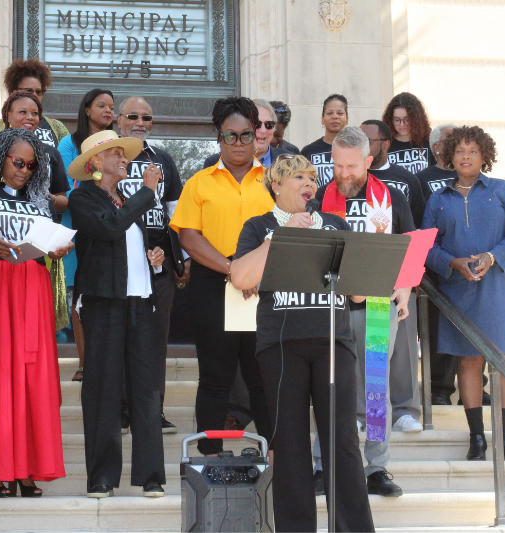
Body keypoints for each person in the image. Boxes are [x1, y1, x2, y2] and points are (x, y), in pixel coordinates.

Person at [230, 154, 374, 532]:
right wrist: (279, 238)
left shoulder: (335, 223)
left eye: (312, 177)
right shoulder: (259, 226)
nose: (309, 184)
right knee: (290, 445)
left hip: (333, 342)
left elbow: (358, 296)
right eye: (298, 177)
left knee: (342, 440)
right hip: (281, 345)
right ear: (276, 185)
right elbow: (241, 277)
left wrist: (366, 259)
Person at [0, 128, 71, 497]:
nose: (24, 170)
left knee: (31, 375)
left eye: (31, 165)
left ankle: (27, 468)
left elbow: (41, 242)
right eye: (18, 162)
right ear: (1, 158)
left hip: (32, 286)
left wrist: (54, 250)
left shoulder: (38, 199)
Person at [312, 126, 416, 497]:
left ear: (368, 161)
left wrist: (404, 288)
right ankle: (323, 465)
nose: (343, 174)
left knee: (375, 389)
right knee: (327, 386)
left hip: (375, 304)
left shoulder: (391, 196)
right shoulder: (319, 197)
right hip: (329, 306)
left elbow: (410, 246)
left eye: (351, 167)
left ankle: (377, 468)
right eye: (337, 165)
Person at [170, 97, 273, 457]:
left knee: (262, 378)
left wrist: (252, 273)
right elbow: (189, 237)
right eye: (231, 136)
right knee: (216, 377)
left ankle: (273, 453)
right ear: (218, 137)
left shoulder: (274, 183)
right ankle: (210, 457)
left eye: (247, 136)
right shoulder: (199, 183)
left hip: (263, 288)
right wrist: (233, 270)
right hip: (215, 284)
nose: (239, 144)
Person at [68, 130, 167, 498]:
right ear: (95, 162)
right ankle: (102, 476)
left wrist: (153, 260)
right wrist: (147, 191)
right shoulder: (84, 198)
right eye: (115, 153)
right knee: (103, 388)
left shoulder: (125, 197)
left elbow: (128, 241)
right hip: (104, 301)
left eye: (125, 153)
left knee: (145, 389)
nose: (123, 158)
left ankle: (151, 475)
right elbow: (110, 227)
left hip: (139, 300)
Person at [423, 125, 505, 462]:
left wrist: (491, 256)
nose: (466, 156)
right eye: (459, 151)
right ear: (449, 156)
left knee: (503, 359)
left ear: (484, 156)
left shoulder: (502, 190)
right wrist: (451, 262)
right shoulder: (438, 199)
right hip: (459, 290)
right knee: (468, 361)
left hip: (499, 289)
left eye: (472, 151)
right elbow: (426, 246)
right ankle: (477, 440)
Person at [116, 96, 185, 434]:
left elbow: (176, 214)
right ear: (118, 120)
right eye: (132, 116)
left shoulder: (164, 160)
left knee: (155, 341)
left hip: (157, 263)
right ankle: (121, 409)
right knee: (120, 338)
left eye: (147, 117)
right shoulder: (107, 157)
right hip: (117, 262)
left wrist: (177, 259)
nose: (140, 122)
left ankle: (152, 410)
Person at [359, 119, 425, 435]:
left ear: (384, 144)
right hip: (351, 289)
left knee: (401, 354)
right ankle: (366, 417)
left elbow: (413, 240)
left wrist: (407, 285)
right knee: (364, 358)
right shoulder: (331, 193)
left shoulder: (396, 188)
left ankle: (403, 410)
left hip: (394, 285)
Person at [57, 89, 116, 382]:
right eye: (101, 106)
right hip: (76, 229)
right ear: (87, 109)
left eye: (111, 107)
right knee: (80, 299)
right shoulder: (69, 143)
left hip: (109, 229)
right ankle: (84, 362)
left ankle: (107, 361)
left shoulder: (116, 144)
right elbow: (66, 187)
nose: (108, 111)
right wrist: (93, 198)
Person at [0, 91, 69, 212]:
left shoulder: (51, 153)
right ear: (8, 116)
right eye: (23, 112)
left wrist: (46, 198)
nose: (30, 117)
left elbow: (63, 200)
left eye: (35, 113)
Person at [417, 122, 458, 406]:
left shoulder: (468, 177)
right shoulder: (421, 179)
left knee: (468, 328)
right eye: (452, 139)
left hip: (467, 269)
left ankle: (476, 387)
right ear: (437, 147)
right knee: (437, 330)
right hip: (435, 270)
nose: (459, 145)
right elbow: (421, 224)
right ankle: (439, 389)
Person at [0, 58, 69, 146]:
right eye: (29, 91)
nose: (35, 95)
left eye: (38, 92)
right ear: (14, 93)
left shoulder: (57, 127)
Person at [202, 98, 289, 168]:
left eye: (269, 125)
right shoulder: (214, 162)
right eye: (257, 124)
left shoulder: (290, 161)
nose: (263, 130)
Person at [301, 94, 349, 188]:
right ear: (322, 120)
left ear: (346, 119)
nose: (335, 116)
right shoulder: (308, 151)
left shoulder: (354, 150)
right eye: (329, 113)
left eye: (340, 113)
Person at [382, 92, 436, 173]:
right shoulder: (384, 144)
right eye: (397, 120)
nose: (402, 124)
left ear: (416, 119)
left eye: (407, 119)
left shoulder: (429, 142)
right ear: (390, 120)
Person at [418, 122, 457, 202]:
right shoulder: (420, 179)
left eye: (459, 140)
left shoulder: (469, 175)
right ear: (437, 148)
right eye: (450, 140)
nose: (456, 144)